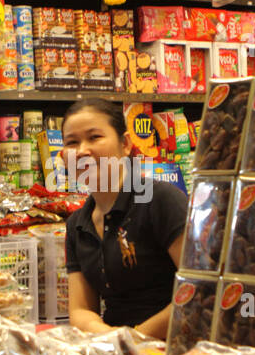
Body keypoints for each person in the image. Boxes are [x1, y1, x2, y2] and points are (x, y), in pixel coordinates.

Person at [62, 99, 187, 339]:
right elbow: (80, 310)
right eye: (72, 142)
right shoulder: (77, 223)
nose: (82, 151)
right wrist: (114, 339)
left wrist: (135, 338)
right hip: (118, 352)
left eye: (94, 137)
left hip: (175, 346)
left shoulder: (160, 200)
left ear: (126, 144)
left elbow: (199, 288)